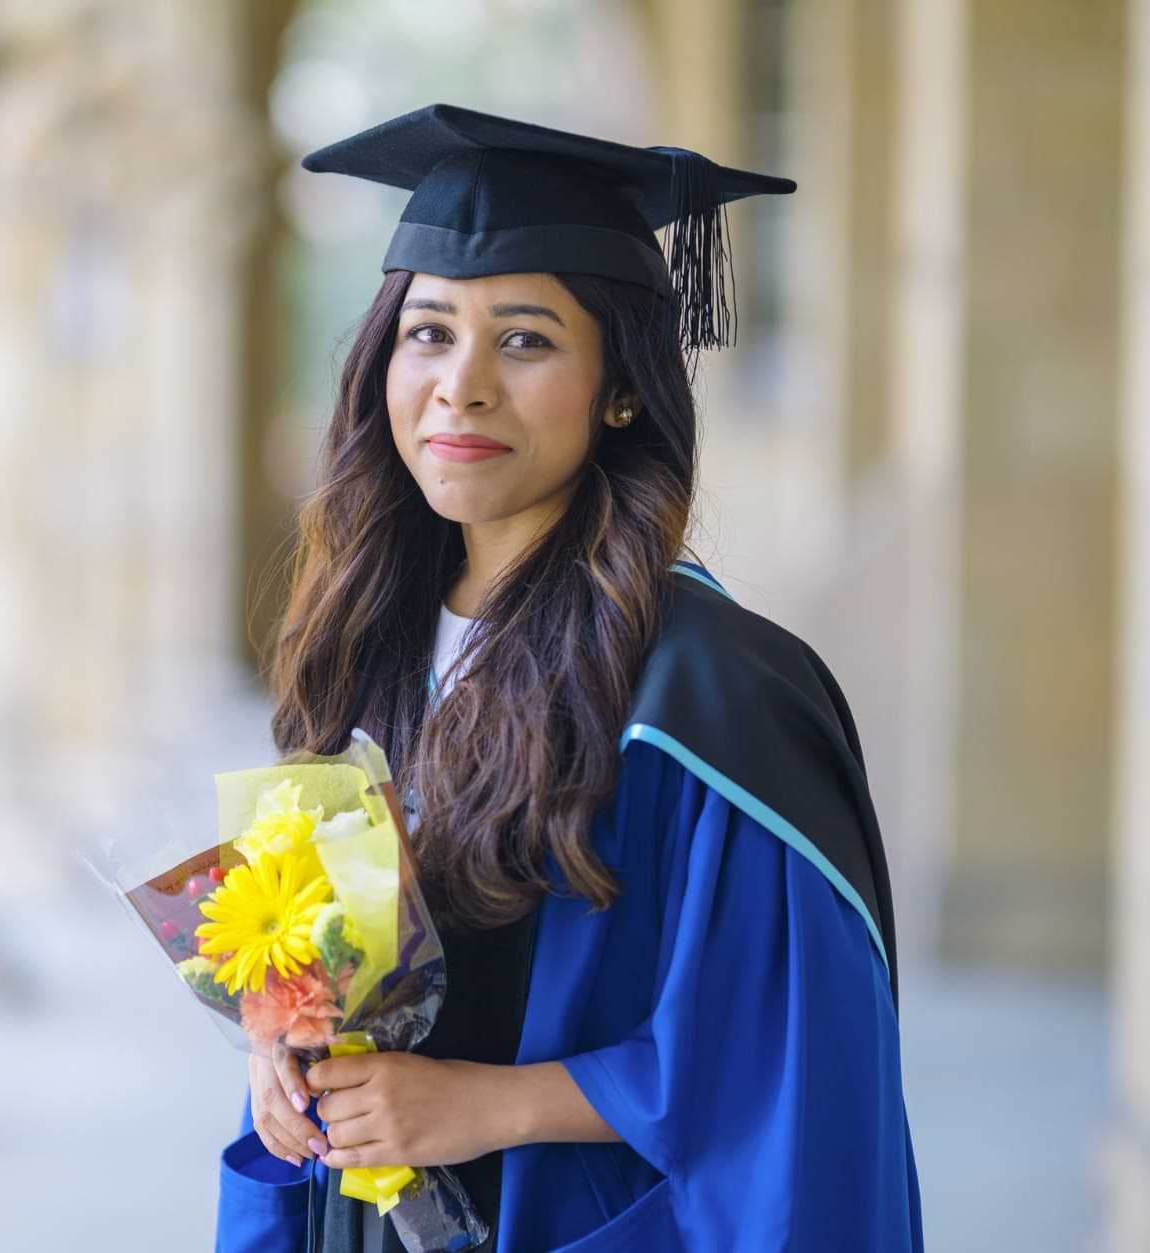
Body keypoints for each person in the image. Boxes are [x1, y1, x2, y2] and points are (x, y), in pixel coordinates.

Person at [213, 104, 923, 1252]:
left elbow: (782, 1062)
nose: (461, 385)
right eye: (428, 332)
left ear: (620, 387)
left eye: (526, 340)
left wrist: (485, 1105)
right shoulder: (371, 647)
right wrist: (282, 1037)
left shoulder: (714, 701)